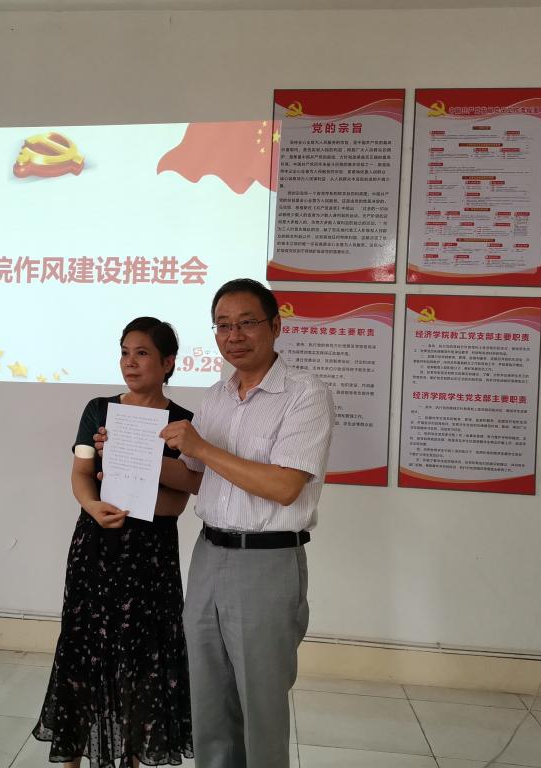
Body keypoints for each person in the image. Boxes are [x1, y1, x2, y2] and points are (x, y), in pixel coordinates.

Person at [155, 278, 333, 768]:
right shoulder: (216, 396)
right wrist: (131, 456)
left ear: (275, 326)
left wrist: (203, 447)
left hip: (267, 562)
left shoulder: (305, 395)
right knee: (209, 700)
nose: (233, 335)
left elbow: (285, 486)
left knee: (260, 705)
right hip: (208, 556)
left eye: (246, 323)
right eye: (222, 326)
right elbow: (197, 479)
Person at [33, 317, 195, 768]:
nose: (130, 362)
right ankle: (71, 759)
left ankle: (132, 759)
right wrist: (93, 504)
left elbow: (178, 501)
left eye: (142, 353)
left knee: (142, 662)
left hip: (151, 556)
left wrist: (136, 484)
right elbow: (82, 473)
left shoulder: (182, 423)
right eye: (125, 352)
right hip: (97, 545)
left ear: (167, 363)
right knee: (83, 654)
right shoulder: (99, 410)